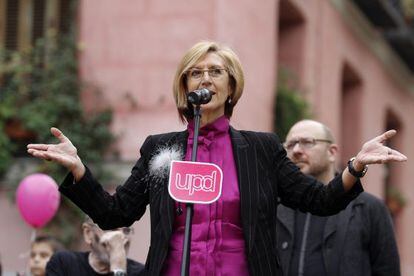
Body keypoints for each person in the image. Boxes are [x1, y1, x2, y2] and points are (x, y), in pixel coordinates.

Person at [27, 41, 407, 275]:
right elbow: (116, 213)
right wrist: (79, 169)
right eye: (194, 73)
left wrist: (356, 165)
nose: (204, 78)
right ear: (185, 87)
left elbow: (318, 200)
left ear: (230, 87)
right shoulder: (162, 149)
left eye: (214, 71)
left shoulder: (260, 149)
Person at [276, 120, 400, 276]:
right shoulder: (276, 205)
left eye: (307, 142)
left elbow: (387, 269)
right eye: (290, 144)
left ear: (332, 152)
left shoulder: (369, 207)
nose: (296, 150)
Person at [45, 216, 144, 275]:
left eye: (126, 230)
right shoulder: (64, 263)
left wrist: (119, 269)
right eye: (111, 228)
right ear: (88, 233)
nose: (121, 238)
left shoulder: (141, 272)